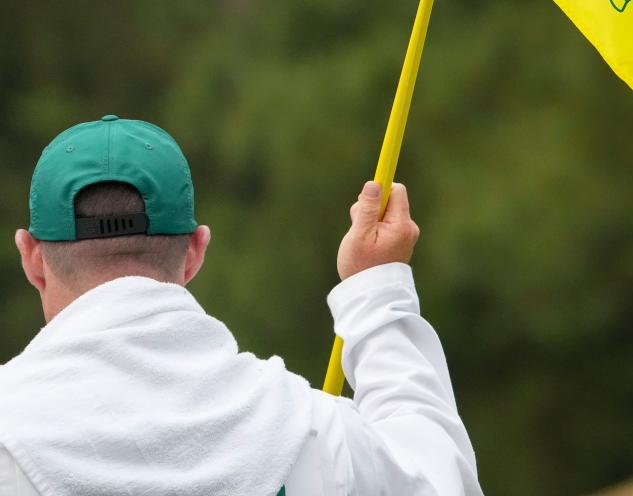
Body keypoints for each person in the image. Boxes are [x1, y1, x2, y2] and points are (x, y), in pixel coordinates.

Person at [0, 115, 482, 496]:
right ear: (195, 250)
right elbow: (442, 480)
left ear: (31, 257)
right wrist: (376, 291)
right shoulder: (310, 428)